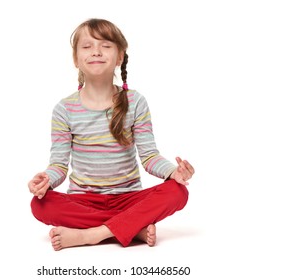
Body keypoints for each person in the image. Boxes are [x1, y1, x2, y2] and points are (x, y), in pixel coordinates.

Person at [28, 18, 195, 251]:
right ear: (76, 59)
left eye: (105, 45)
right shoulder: (64, 109)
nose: (96, 51)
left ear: (119, 57)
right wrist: (46, 180)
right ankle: (130, 228)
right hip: (84, 201)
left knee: (178, 191)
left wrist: (172, 173)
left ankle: (93, 234)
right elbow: (59, 164)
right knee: (40, 205)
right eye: (87, 46)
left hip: (128, 200)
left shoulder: (136, 102)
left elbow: (149, 156)